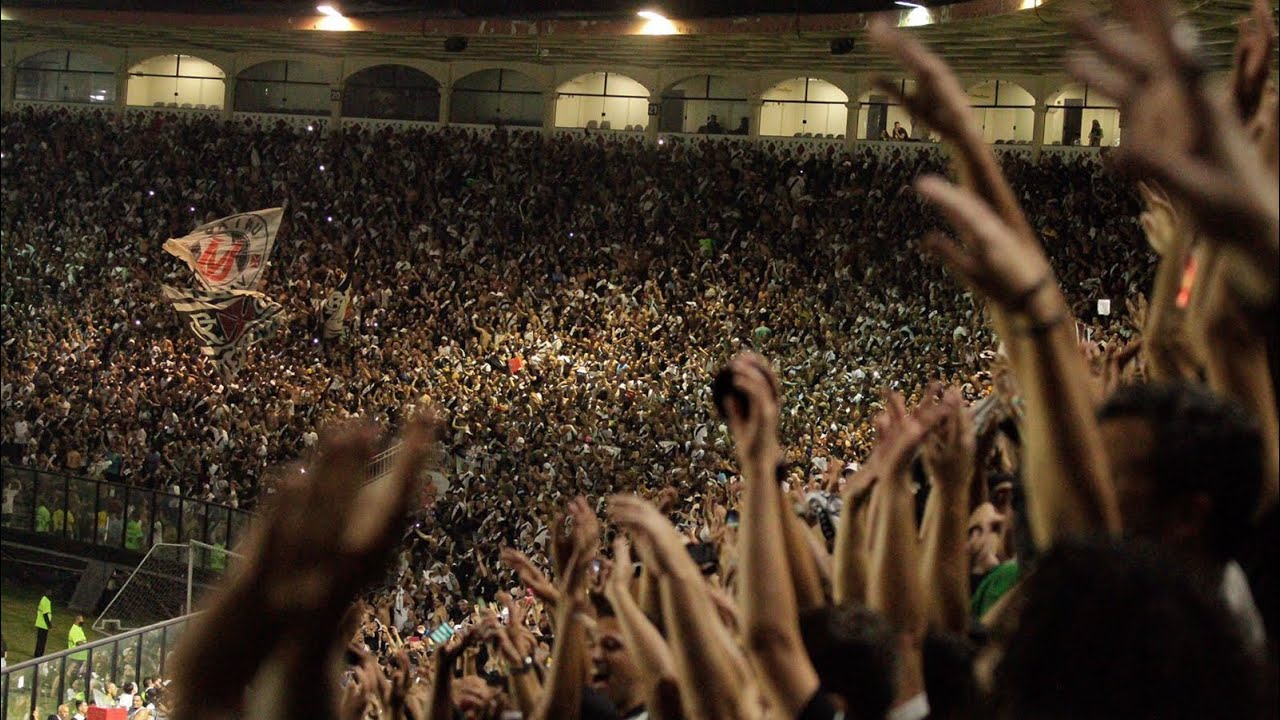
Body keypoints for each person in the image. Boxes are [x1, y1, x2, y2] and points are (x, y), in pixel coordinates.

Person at [34, 590, 53, 657]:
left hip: (40, 623)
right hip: (43, 624)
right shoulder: (46, 601)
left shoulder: (43, 599)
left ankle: (36, 654)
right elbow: (45, 614)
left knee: (39, 640)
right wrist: (49, 625)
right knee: (42, 641)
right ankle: (39, 655)